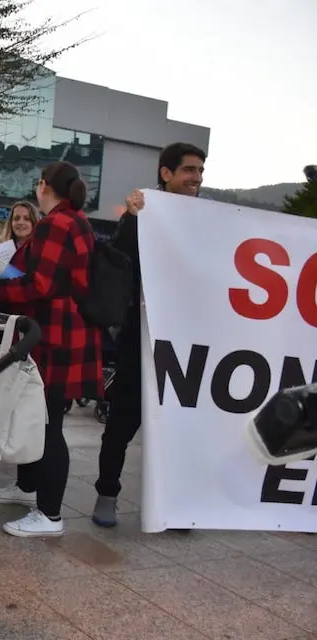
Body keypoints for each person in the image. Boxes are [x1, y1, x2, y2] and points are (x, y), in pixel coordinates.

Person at [0, 161, 102, 538]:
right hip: (68, 329)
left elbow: (40, 286)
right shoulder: (79, 221)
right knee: (38, 414)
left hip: (53, 332)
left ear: (43, 186)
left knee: (48, 422)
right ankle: (28, 488)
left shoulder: (55, 223)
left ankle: (49, 514)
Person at [92, 142, 207, 528]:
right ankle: (107, 493)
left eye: (200, 172)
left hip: (186, 346)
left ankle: (174, 505)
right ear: (166, 173)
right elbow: (118, 258)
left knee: (180, 428)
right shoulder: (142, 213)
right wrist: (131, 217)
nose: (197, 178)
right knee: (123, 422)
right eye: (189, 170)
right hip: (140, 340)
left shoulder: (209, 220)